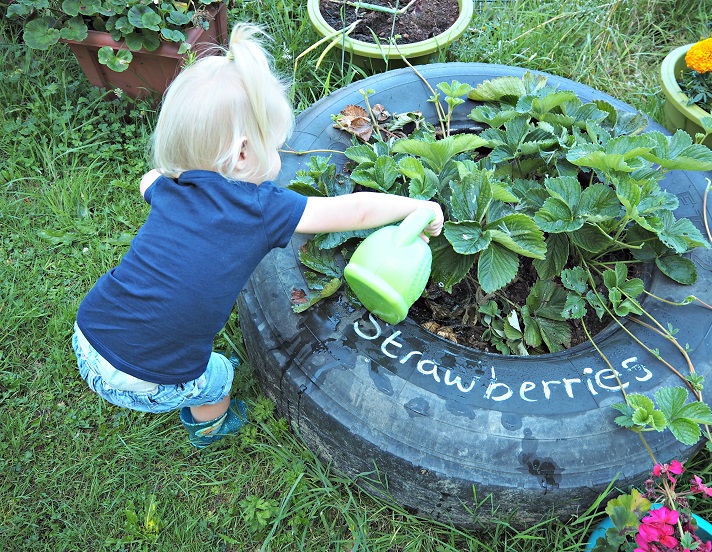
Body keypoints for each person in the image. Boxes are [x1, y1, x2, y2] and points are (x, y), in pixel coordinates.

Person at [72, 23, 444, 448]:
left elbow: (148, 178)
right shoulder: (262, 209)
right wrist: (418, 207)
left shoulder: (169, 188)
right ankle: (211, 425)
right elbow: (355, 210)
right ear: (245, 153)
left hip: (89, 332)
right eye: (278, 147)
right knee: (218, 376)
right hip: (146, 379)